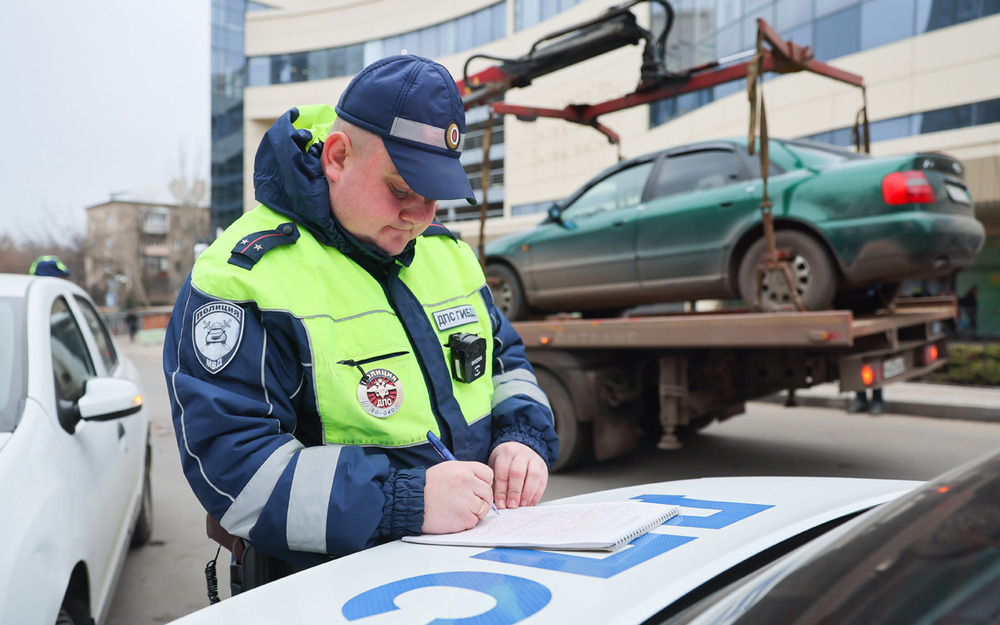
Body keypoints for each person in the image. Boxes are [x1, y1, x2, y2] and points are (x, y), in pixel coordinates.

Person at [162, 55, 559, 591]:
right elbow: (239, 474)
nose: (419, 216)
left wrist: (521, 437)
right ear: (338, 156)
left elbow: (506, 363)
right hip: (326, 589)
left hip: (470, 567)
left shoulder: (447, 255)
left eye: (433, 195)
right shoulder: (242, 276)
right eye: (400, 190)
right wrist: (403, 501)